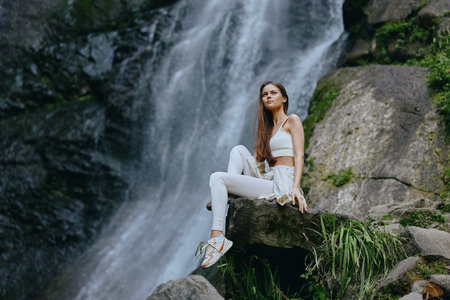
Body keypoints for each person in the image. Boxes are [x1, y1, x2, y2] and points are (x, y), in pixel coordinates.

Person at [200, 81, 307, 268]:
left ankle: (217, 238)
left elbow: (299, 154)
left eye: (274, 93)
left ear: (284, 98)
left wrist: (296, 188)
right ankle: (231, 194)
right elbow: (256, 161)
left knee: (217, 177)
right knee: (238, 150)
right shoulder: (267, 129)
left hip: (284, 182)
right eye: (265, 94)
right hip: (270, 177)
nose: (268, 96)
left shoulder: (292, 120)